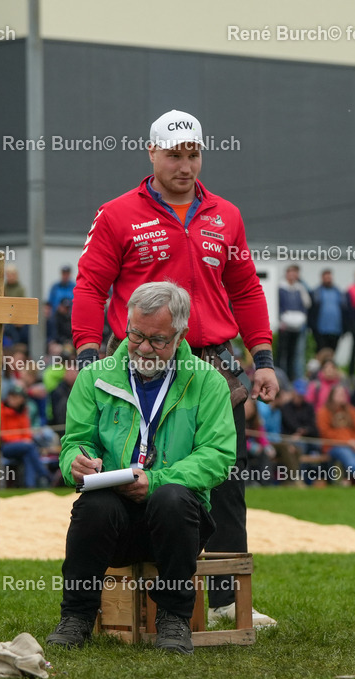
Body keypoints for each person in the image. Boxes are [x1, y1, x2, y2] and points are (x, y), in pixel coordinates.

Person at [71, 109, 278, 628]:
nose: (185, 166)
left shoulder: (226, 215)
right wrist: (85, 351)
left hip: (214, 361)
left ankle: (227, 599)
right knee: (136, 474)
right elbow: (91, 285)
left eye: (193, 154)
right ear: (151, 153)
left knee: (225, 478)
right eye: (174, 155)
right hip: (142, 358)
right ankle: (132, 592)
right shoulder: (117, 214)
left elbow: (247, 288)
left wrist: (264, 357)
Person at [47, 282, 236, 653]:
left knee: (170, 498)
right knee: (92, 504)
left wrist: (156, 480)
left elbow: (218, 454)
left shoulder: (208, 382)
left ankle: (174, 620)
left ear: (181, 335)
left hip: (180, 522)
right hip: (116, 521)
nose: (145, 347)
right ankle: (76, 616)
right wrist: (78, 463)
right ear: (125, 323)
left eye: (158, 339)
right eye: (136, 334)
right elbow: (75, 442)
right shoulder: (95, 377)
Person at [316, 385, 355, 481]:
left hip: (353, 446)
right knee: (346, 454)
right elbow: (326, 433)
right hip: (333, 446)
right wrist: (347, 442)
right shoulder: (324, 412)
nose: (342, 396)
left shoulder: (352, 411)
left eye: (344, 394)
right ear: (332, 396)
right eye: (339, 394)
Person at [277, 264, 310, 380]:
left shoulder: (300, 288)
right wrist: (281, 318)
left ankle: (291, 377)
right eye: (290, 273)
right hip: (284, 325)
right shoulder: (281, 287)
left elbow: (306, 304)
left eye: (295, 273)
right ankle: (280, 375)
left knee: (293, 353)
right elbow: (278, 305)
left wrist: (302, 317)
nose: (292, 275)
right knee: (282, 352)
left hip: (296, 326)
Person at [309, 269, 345, 354]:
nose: (328, 279)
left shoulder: (338, 292)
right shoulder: (316, 293)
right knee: (321, 352)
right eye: (326, 278)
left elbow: (344, 309)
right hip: (321, 329)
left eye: (329, 277)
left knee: (332, 352)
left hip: (336, 329)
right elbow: (311, 311)